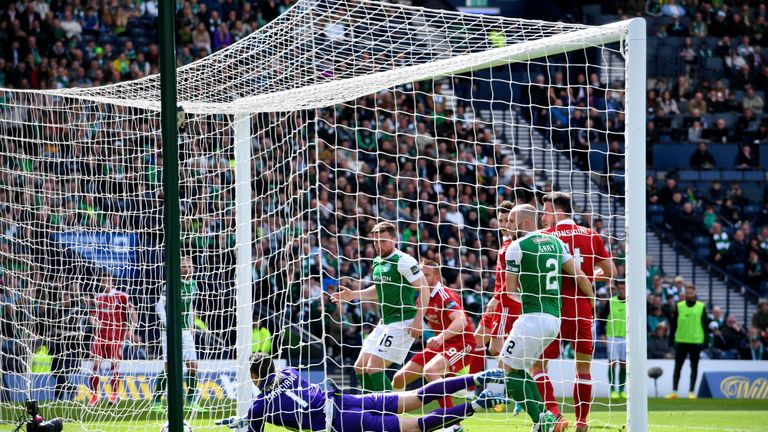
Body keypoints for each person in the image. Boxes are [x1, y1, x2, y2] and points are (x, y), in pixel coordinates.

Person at [215, 353, 511, 432]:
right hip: (345, 399)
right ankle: (476, 378)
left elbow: (258, 421)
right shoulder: (289, 372)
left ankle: (476, 406)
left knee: (412, 427)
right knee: (415, 397)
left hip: (341, 423)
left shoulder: (258, 406)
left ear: (254, 376)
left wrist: (246, 420)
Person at [498, 204, 594, 432]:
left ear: (524, 223)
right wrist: (592, 300)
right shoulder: (556, 243)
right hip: (554, 320)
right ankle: (543, 418)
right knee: (521, 369)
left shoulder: (516, 247)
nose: (507, 225)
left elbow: (510, 292)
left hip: (533, 318)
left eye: (511, 221)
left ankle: (543, 420)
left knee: (505, 368)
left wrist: (526, 304)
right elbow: (579, 275)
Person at [532, 192, 615, 432]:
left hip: (553, 309)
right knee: (583, 369)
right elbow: (610, 271)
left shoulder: (543, 237)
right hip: (582, 309)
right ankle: (582, 422)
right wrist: (590, 276)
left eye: (546, 211)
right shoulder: (592, 235)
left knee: (538, 367)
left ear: (558, 211)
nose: (543, 216)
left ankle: (555, 415)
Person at [331, 221, 431, 392]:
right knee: (360, 367)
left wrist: (417, 321)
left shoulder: (404, 260)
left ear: (394, 240)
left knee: (374, 367)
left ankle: (387, 413)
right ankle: (374, 408)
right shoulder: (377, 261)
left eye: (383, 241)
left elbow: (424, 290)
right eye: (375, 241)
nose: (378, 245)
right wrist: (353, 295)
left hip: (403, 321)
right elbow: (379, 290)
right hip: (386, 321)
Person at [393, 259, 476, 424]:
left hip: (461, 343)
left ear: (436, 278)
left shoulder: (445, 295)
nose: (422, 278)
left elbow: (461, 321)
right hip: (440, 345)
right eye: (420, 274)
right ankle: (392, 416)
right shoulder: (421, 299)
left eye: (427, 275)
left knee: (430, 370)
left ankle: (453, 423)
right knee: (398, 379)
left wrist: (439, 337)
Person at [469, 202, 522, 385]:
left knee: (496, 348)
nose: (502, 224)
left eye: (506, 220)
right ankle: (471, 388)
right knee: (477, 339)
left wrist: (496, 298)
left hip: (506, 301)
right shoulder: (506, 242)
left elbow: (512, 279)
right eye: (499, 220)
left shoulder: (515, 244)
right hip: (498, 300)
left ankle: (508, 385)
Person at [153, 256, 204, 411]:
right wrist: (169, 324)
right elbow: (159, 306)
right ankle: (155, 400)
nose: (186, 268)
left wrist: (191, 325)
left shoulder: (194, 285)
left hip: (185, 330)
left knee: (193, 365)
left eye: (189, 266)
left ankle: (190, 401)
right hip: (169, 331)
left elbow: (190, 307)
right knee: (169, 366)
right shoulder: (171, 284)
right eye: (183, 266)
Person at [88, 274, 137, 406]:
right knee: (95, 365)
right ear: (101, 283)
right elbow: (91, 316)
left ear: (113, 282)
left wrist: (131, 329)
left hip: (116, 336)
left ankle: (114, 395)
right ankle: (94, 395)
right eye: (103, 281)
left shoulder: (122, 296)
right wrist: (95, 323)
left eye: (108, 280)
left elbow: (132, 312)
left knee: (114, 365)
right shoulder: (98, 298)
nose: (106, 283)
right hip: (100, 336)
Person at [666, 284, 709, 399]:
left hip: (696, 341)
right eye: (687, 293)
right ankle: (674, 391)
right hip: (681, 340)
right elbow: (673, 324)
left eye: (691, 293)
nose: (689, 295)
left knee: (694, 366)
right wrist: (670, 339)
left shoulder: (701, 306)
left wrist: (706, 341)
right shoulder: (679, 306)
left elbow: (705, 325)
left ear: (694, 293)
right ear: (684, 294)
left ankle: (691, 392)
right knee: (678, 366)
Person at [599, 282, 627, 401]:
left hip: (626, 337)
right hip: (612, 336)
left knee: (624, 364)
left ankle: (621, 390)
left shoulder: (631, 302)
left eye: (623, 289)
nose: (621, 291)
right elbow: (602, 319)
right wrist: (602, 334)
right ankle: (613, 390)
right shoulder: (611, 301)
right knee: (612, 362)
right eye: (619, 288)